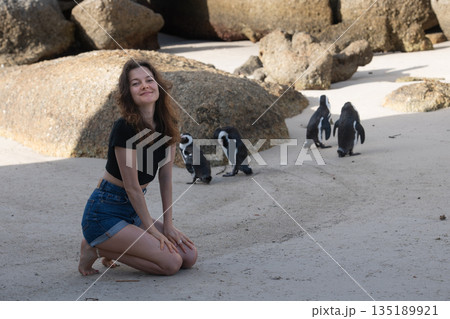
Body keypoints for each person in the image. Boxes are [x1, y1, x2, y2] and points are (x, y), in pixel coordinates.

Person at [78, 58, 197, 276]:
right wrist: (152, 230)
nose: (144, 85)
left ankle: (114, 245)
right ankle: (96, 246)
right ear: (129, 93)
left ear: (158, 86)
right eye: (135, 83)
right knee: (171, 264)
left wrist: (168, 226)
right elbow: (132, 187)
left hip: (132, 212)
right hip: (105, 212)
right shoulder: (125, 128)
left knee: (189, 257)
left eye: (149, 80)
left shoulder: (168, 125)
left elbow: (166, 178)